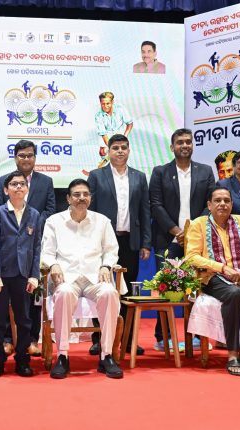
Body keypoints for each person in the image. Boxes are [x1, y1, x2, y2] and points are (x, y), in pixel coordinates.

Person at [41, 179, 123, 379]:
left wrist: (106, 265)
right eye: (76, 195)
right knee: (64, 293)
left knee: (110, 293)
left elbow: (111, 250)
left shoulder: (102, 221)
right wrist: (53, 265)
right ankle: (62, 355)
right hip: (66, 278)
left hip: (95, 277)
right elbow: (47, 252)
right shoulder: (54, 221)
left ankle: (106, 355)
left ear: (90, 198)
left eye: (85, 194)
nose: (81, 198)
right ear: (68, 198)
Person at [185, 187, 240, 376]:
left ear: (232, 204)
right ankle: (232, 355)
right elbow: (191, 257)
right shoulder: (199, 224)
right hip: (212, 277)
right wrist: (222, 267)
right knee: (233, 293)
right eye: (218, 200)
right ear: (209, 205)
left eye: (226, 200)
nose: (222, 204)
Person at [150, 128, 215, 351]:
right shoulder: (160, 172)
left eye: (188, 141)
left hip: (197, 242)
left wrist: (191, 233)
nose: (185, 145)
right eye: (180, 142)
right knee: (166, 288)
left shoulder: (205, 171)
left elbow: (210, 205)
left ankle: (197, 336)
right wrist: (176, 231)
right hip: (167, 240)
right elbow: (156, 205)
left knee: (197, 289)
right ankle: (163, 337)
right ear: (172, 147)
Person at [88, 134, 151, 356]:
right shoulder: (96, 176)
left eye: (124, 147)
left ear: (129, 150)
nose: (120, 151)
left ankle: (128, 338)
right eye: (115, 147)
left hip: (130, 241)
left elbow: (145, 211)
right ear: (108, 151)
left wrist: (145, 243)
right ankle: (99, 338)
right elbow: (90, 211)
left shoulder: (139, 177)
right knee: (101, 289)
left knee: (127, 292)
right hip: (103, 242)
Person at [0, 140, 55, 357]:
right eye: (22, 155)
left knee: (33, 293)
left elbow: (50, 210)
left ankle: (31, 340)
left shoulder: (46, 181)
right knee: (7, 297)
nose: (26, 159)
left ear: (35, 158)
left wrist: (32, 224)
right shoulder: (3, 181)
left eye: (30, 155)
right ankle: (8, 340)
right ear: (15, 158)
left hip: (35, 244)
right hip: (9, 249)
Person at [0, 171, 42, 377]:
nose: (18, 187)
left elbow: (36, 248)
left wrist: (34, 275)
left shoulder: (34, 214)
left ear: (27, 189)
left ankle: (23, 360)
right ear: (5, 190)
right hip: (1, 275)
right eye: (14, 184)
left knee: (24, 320)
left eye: (22, 184)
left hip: (23, 275)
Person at [94, 92, 133, 169]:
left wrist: (125, 137)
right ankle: (103, 166)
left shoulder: (121, 109)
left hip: (120, 133)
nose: (105, 106)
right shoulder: (98, 116)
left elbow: (130, 124)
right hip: (107, 134)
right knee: (102, 151)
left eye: (107, 103)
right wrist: (111, 146)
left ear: (112, 102)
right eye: (103, 104)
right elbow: (103, 134)